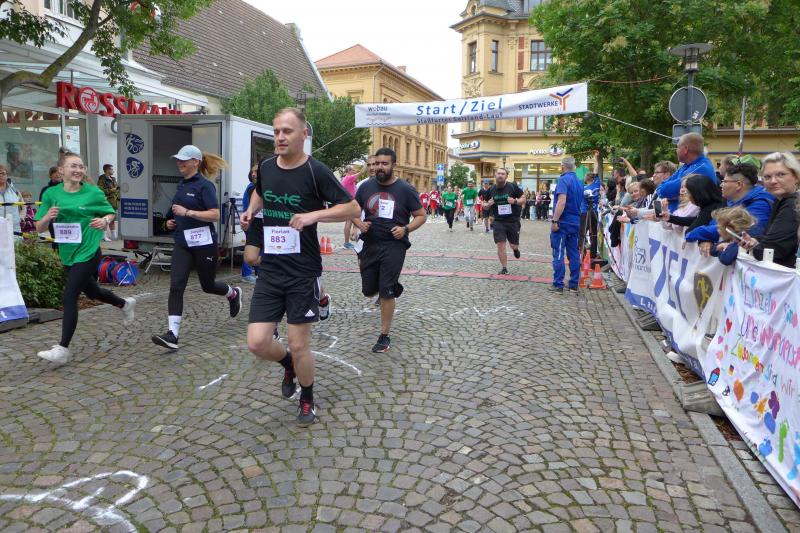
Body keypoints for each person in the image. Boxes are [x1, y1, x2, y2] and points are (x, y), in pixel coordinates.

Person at [240, 108, 359, 426]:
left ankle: (307, 397)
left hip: (302, 271)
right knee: (257, 342)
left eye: (287, 131)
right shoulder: (267, 166)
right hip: (271, 268)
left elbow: (352, 207)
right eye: (276, 131)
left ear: (303, 134)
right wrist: (251, 211)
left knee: (298, 341)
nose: (280, 137)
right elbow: (261, 194)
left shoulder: (315, 171)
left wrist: (313, 215)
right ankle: (288, 364)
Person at [33, 152, 135, 364]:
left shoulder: (93, 192)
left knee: (69, 295)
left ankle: (62, 349)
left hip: (88, 251)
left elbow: (110, 212)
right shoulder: (51, 193)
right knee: (93, 291)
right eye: (73, 166)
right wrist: (48, 217)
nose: (78, 170)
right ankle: (124, 304)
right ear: (61, 170)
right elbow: (38, 228)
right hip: (67, 252)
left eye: (81, 166)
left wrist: (104, 220)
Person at [151, 145, 242, 352]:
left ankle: (233, 294)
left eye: (184, 159)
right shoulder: (181, 185)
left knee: (207, 285)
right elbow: (176, 213)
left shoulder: (205, 186)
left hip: (204, 244)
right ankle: (172, 334)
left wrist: (188, 212)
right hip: (183, 243)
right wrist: (171, 222)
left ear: (195, 162)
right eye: (178, 159)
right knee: (176, 285)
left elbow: (215, 215)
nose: (179, 163)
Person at [352, 147, 426, 353]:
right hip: (370, 243)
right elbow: (352, 209)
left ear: (394, 165)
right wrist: (359, 224)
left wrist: (405, 229)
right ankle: (390, 286)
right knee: (369, 290)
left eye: (384, 163)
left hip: (394, 244)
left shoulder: (405, 189)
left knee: (385, 289)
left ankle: (384, 335)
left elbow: (421, 215)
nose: (380, 167)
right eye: (377, 163)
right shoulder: (365, 187)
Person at [686, 160, 773, 256]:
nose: (721, 185)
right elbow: (715, 223)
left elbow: (741, 231)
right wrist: (704, 239)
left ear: (738, 185)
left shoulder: (760, 204)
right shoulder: (730, 201)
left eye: (725, 181)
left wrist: (698, 233)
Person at [740, 152, 800, 269]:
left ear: (796, 177)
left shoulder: (792, 203)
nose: (773, 181)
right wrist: (755, 241)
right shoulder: (780, 200)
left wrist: (755, 248)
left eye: (781, 174)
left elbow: (772, 248)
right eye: (767, 177)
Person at [656, 133, 717, 212]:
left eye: (677, 147)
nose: (676, 150)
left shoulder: (700, 168)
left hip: (686, 218)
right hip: (674, 215)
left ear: (685, 149)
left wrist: (671, 194)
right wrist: (674, 195)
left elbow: (665, 191)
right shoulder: (687, 165)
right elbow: (660, 188)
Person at [550, 156, 583, 293]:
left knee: (558, 253)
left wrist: (555, 220)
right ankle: (574, 284)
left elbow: (561, 201)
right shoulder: (579, 182)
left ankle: (558, 284)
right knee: (574, 253)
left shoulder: (563, 179)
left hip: (563, 221)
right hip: (575, 221)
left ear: (562, 166)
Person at [484, 168, 525, 274]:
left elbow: (523, 199)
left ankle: (515, 249)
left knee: (513, 245)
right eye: (498, 173)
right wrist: (487, 205)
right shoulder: (491, 190)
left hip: (513, 220)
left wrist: (515, 201)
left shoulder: (512, 187)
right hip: (498, 221)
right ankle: (504, 268)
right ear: (495, 175)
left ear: (506, 176)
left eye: (503, 174)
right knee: (500, 245)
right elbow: (484, 204)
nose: (500, 175)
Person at [658, 173, 724, 233]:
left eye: (689, 191)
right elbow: (695, 221)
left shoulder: (710, 208)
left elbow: (690, 230)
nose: (685, 192)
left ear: (697, 192)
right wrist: (670, 217)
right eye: (681, 187)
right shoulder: (709, 205)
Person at [241, 165, 259, 283]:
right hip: (251, 222)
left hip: (254, 222)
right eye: (252, 172)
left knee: (258, 249)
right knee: (250, 247)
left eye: (256, 172)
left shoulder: (256, 187)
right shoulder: (252, 187)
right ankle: (246, 274)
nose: (253, 174)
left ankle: (258, 273)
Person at [97, 164, 119, 241]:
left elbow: (116, 189)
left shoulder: (113, 179)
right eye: (111, 169)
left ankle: (113, 235)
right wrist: (111, 190)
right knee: (106, 218)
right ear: (107, 170)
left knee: (113, 219)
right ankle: (104, 236)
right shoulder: (102, 179)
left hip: (114, 202)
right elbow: (100, 191)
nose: (113, 171)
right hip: (106, 202)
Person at [0, 164, 21, 236]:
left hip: (14, 228)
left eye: (3, 173)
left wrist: (21, 217)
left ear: (7, 175)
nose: (1, 175)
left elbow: (23, 205)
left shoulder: (14, 190)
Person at [341, 165, 358, 249]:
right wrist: (366, 164)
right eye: (353, 170)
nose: (355, 171)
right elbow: (362, 172)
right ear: (349, 171)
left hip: (348, 203)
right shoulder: (349, 178)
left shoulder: (346, 179)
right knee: (349, 223)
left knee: (350, 222)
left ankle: (348, 241)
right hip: (350, 204)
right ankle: (347, 242)